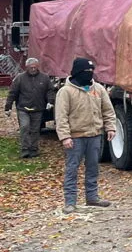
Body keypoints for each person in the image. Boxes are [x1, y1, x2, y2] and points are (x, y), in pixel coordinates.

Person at [54, 57, 116, 213]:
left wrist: (110, 128)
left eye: (91, 71)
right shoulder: (65, 92)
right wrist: (65, 136)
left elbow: (108, 110)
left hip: (95, 135)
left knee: (93, 168)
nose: (89, 74)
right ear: (77, 72)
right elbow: (61, 116)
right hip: (75, 137)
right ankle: (70, 202)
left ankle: (92, 197)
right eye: (86, 71)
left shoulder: (99, 89)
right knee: (72, 169)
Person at [4, 57, 56, 158]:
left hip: (38, 108)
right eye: (31, 67)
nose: (33, 69)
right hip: (23, 108)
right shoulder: (20, 78)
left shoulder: (44, 78)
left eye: (35, 67)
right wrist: (8, 107)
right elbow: (12, 93)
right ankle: (25, 149)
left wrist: (50, 101)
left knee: (35, 129)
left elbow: (50, 90)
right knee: (24, 127)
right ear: (26, 67)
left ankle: (34, 149)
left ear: (38, 67)